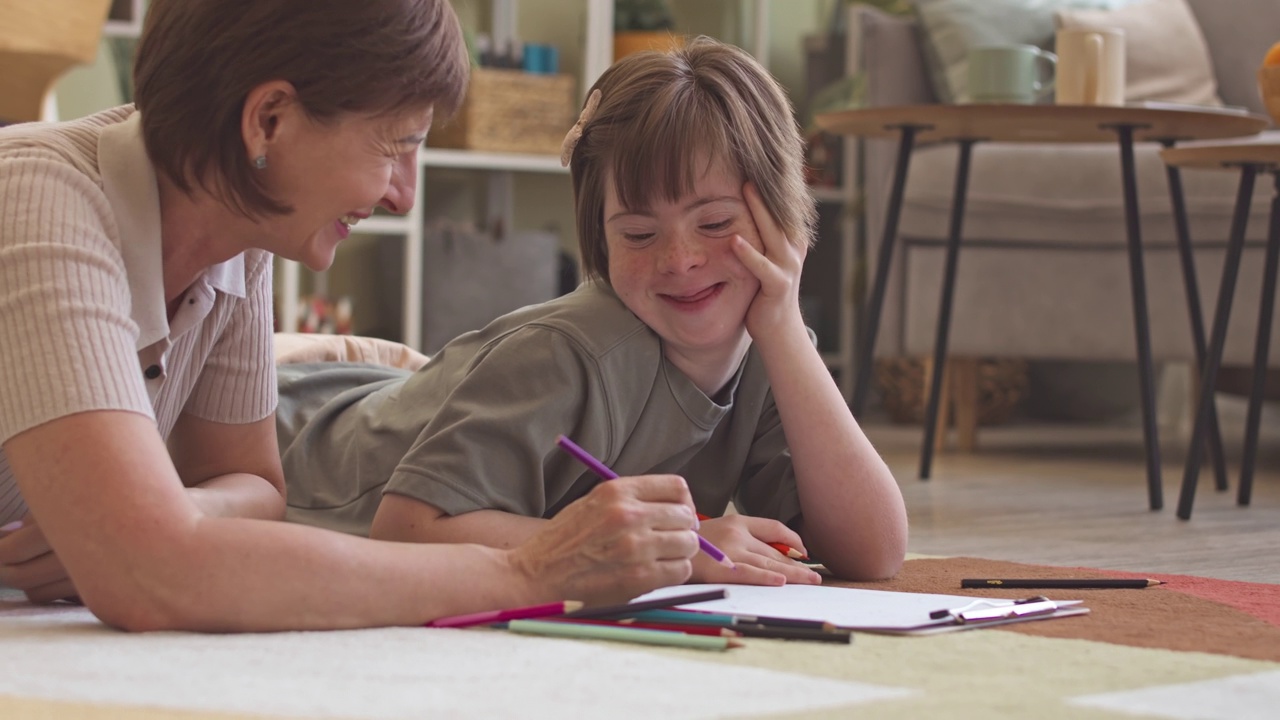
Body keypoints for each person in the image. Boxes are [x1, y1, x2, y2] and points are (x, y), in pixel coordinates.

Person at [0, 0, 701, 632]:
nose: (404, 196)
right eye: (396, 145)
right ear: (268, 120)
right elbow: (148, 578)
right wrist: (531, 572)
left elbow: (255, 490)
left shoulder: (235, 231)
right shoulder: (35, 201)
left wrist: (158, 523)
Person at [277, 36, 909, 584]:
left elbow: (875, 552)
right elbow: (407, 531)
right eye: (638, 235)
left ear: (783, 219)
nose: (680, 259)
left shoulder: (767, 346)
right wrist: (679, 546)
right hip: (284, 440)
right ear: (600, 239)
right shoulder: (567, 354)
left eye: (715, 223)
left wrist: (786, 329)